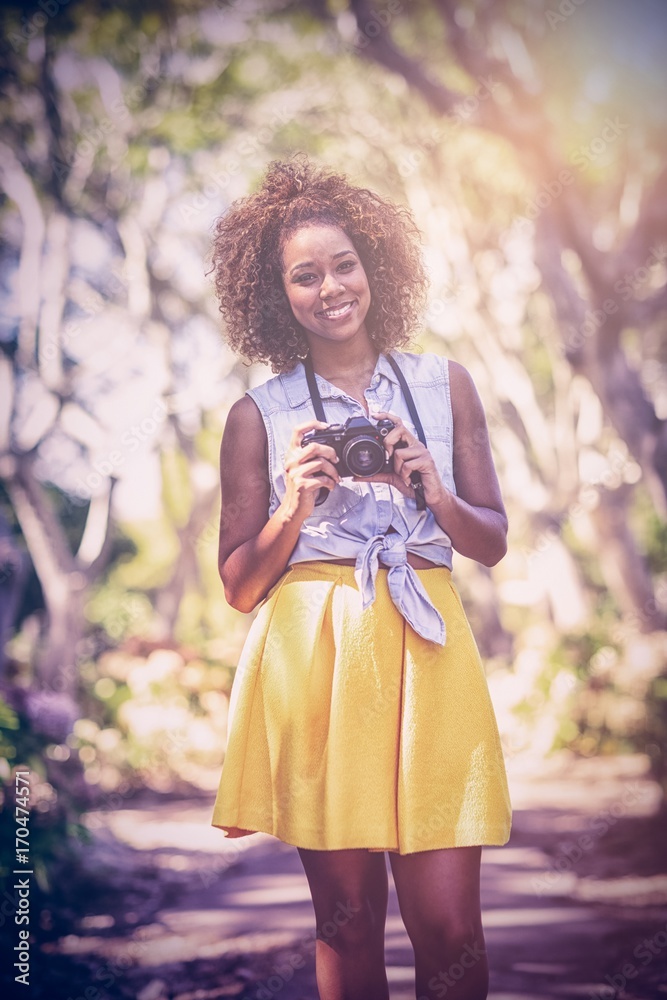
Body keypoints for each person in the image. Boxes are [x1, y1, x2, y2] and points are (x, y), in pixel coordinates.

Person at [209, 155, 511, 1000]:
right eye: (304, 276)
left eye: (344, 264)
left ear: (375, 267)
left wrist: (433, 490)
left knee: (451, 925)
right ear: (277, 294)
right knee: (346, 921)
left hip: (427, 641)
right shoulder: (256, 416)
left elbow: (489, 542)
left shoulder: (444, 384)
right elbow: (237, 585)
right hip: (316, 655)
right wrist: (292, 507)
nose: (330, 287)